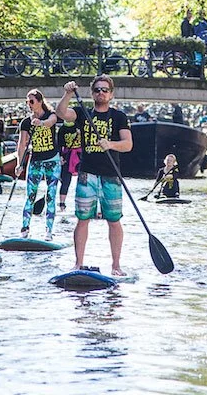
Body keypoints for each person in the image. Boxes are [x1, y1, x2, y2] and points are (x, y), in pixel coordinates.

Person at [56, 76, 132, 276]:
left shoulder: (119, 117)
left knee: (114, 220)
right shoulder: (83, 113)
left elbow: (128, 144)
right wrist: (68, 93)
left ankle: (116, 266)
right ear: (92, 93)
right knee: (82, 219)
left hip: (111, 174)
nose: (101, 93)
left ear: (111, 94)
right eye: (97, 90)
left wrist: (111, 144)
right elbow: (61, 113)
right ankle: (78, 264)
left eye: (105, 90)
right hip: (86, 173)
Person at [16, 89, 61, 240]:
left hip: (52, 161)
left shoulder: (51, 115)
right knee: (30, 195)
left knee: (51, 195)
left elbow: (50, 123)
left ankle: (49, 231)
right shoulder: (26, 122)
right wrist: (19, 164)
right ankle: (24, 229)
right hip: (35, 161)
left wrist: (41, 123)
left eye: (32, 101)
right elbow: (22, 144)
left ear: (40, 102)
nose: (29, 104)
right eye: (27, 102)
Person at [57, 117, 82, 218]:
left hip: (80, 155)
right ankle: (62, 204)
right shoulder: (62, 129)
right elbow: (59, 144)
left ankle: (82, 203)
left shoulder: (79, 125)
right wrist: (60, 157)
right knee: (65, 180)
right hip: (68, 156)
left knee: (83, 179)